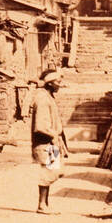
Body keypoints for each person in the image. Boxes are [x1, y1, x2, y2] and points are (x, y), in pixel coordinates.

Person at [30, 70, 69, 214]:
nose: (60, 85)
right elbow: (40, 126)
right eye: (58, 82)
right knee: (48, 173)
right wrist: (53, 135)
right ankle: (42, 205)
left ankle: (45, 204)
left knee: (55, 172)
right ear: (50, 83)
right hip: (45, 142)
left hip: (52, 143)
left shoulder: (49, 97)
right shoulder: (42, 99)